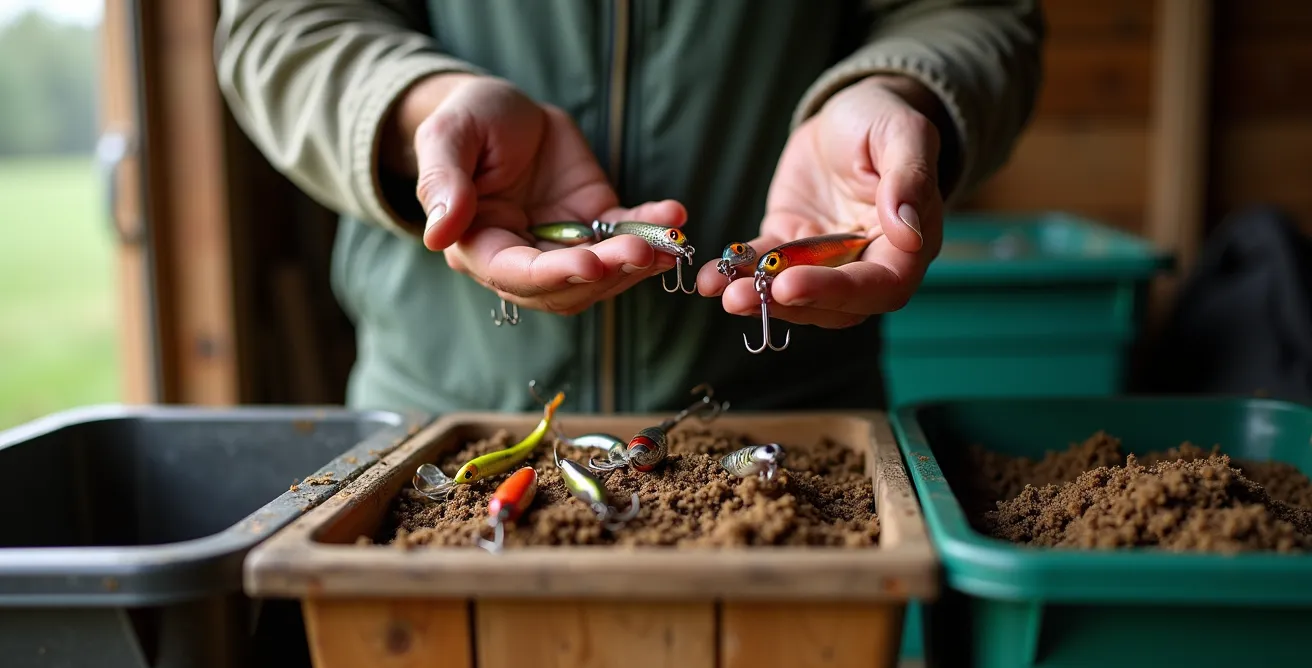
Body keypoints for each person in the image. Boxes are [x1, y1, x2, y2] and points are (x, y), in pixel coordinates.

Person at [214, 0, 1044, 416]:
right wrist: (417, 110)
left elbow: (974, 13)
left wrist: (900, 91)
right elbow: (281, 22)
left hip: (792, 421)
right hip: (434, 410)